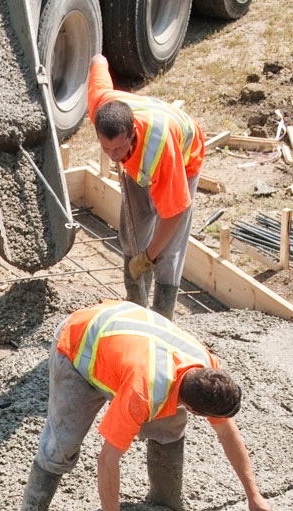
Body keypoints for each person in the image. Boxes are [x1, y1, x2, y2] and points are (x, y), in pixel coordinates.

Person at [18, 299, 274, 511]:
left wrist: (253, 495)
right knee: (61, 446)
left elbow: (228, 434)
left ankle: (165, 499)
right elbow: (107, 460)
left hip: (123, 341)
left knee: (171, 424)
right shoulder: (142, 393)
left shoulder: (206, 369)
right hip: (78, 346)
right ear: (197, 410)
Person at [88, 54, 206, 321]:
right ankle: (137, 308)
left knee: (167, 252)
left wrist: (149, 256)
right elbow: (98, 70)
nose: (111, 155)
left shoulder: (160, 152)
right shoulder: (101, 107)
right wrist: (98, 58)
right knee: (131, 235)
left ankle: (163, 320)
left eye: (117, 148)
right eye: (106, 148)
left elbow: (173, 213)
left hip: (183, 158)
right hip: (140, 160)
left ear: (132, 133)